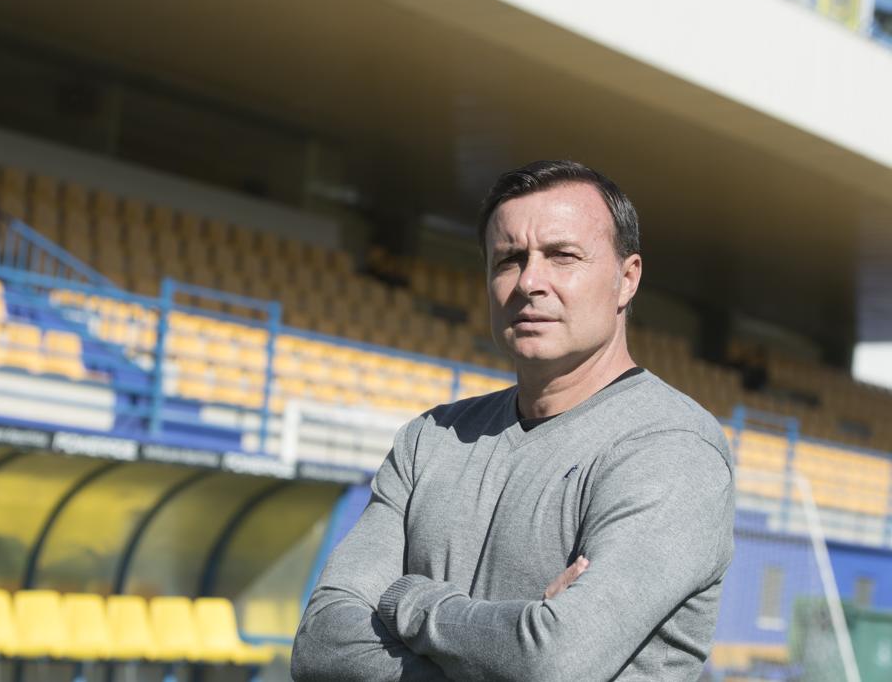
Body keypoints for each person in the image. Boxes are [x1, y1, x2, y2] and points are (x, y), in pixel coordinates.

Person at [291, 160, 735, 681]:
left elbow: (554, 660)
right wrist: (511, 640)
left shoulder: (671, 449)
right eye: (509, 259)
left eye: (563, 256)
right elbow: (321, 643)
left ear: (627, 278)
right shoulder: (429, 440)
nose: (529, 282)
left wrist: (412, 601)